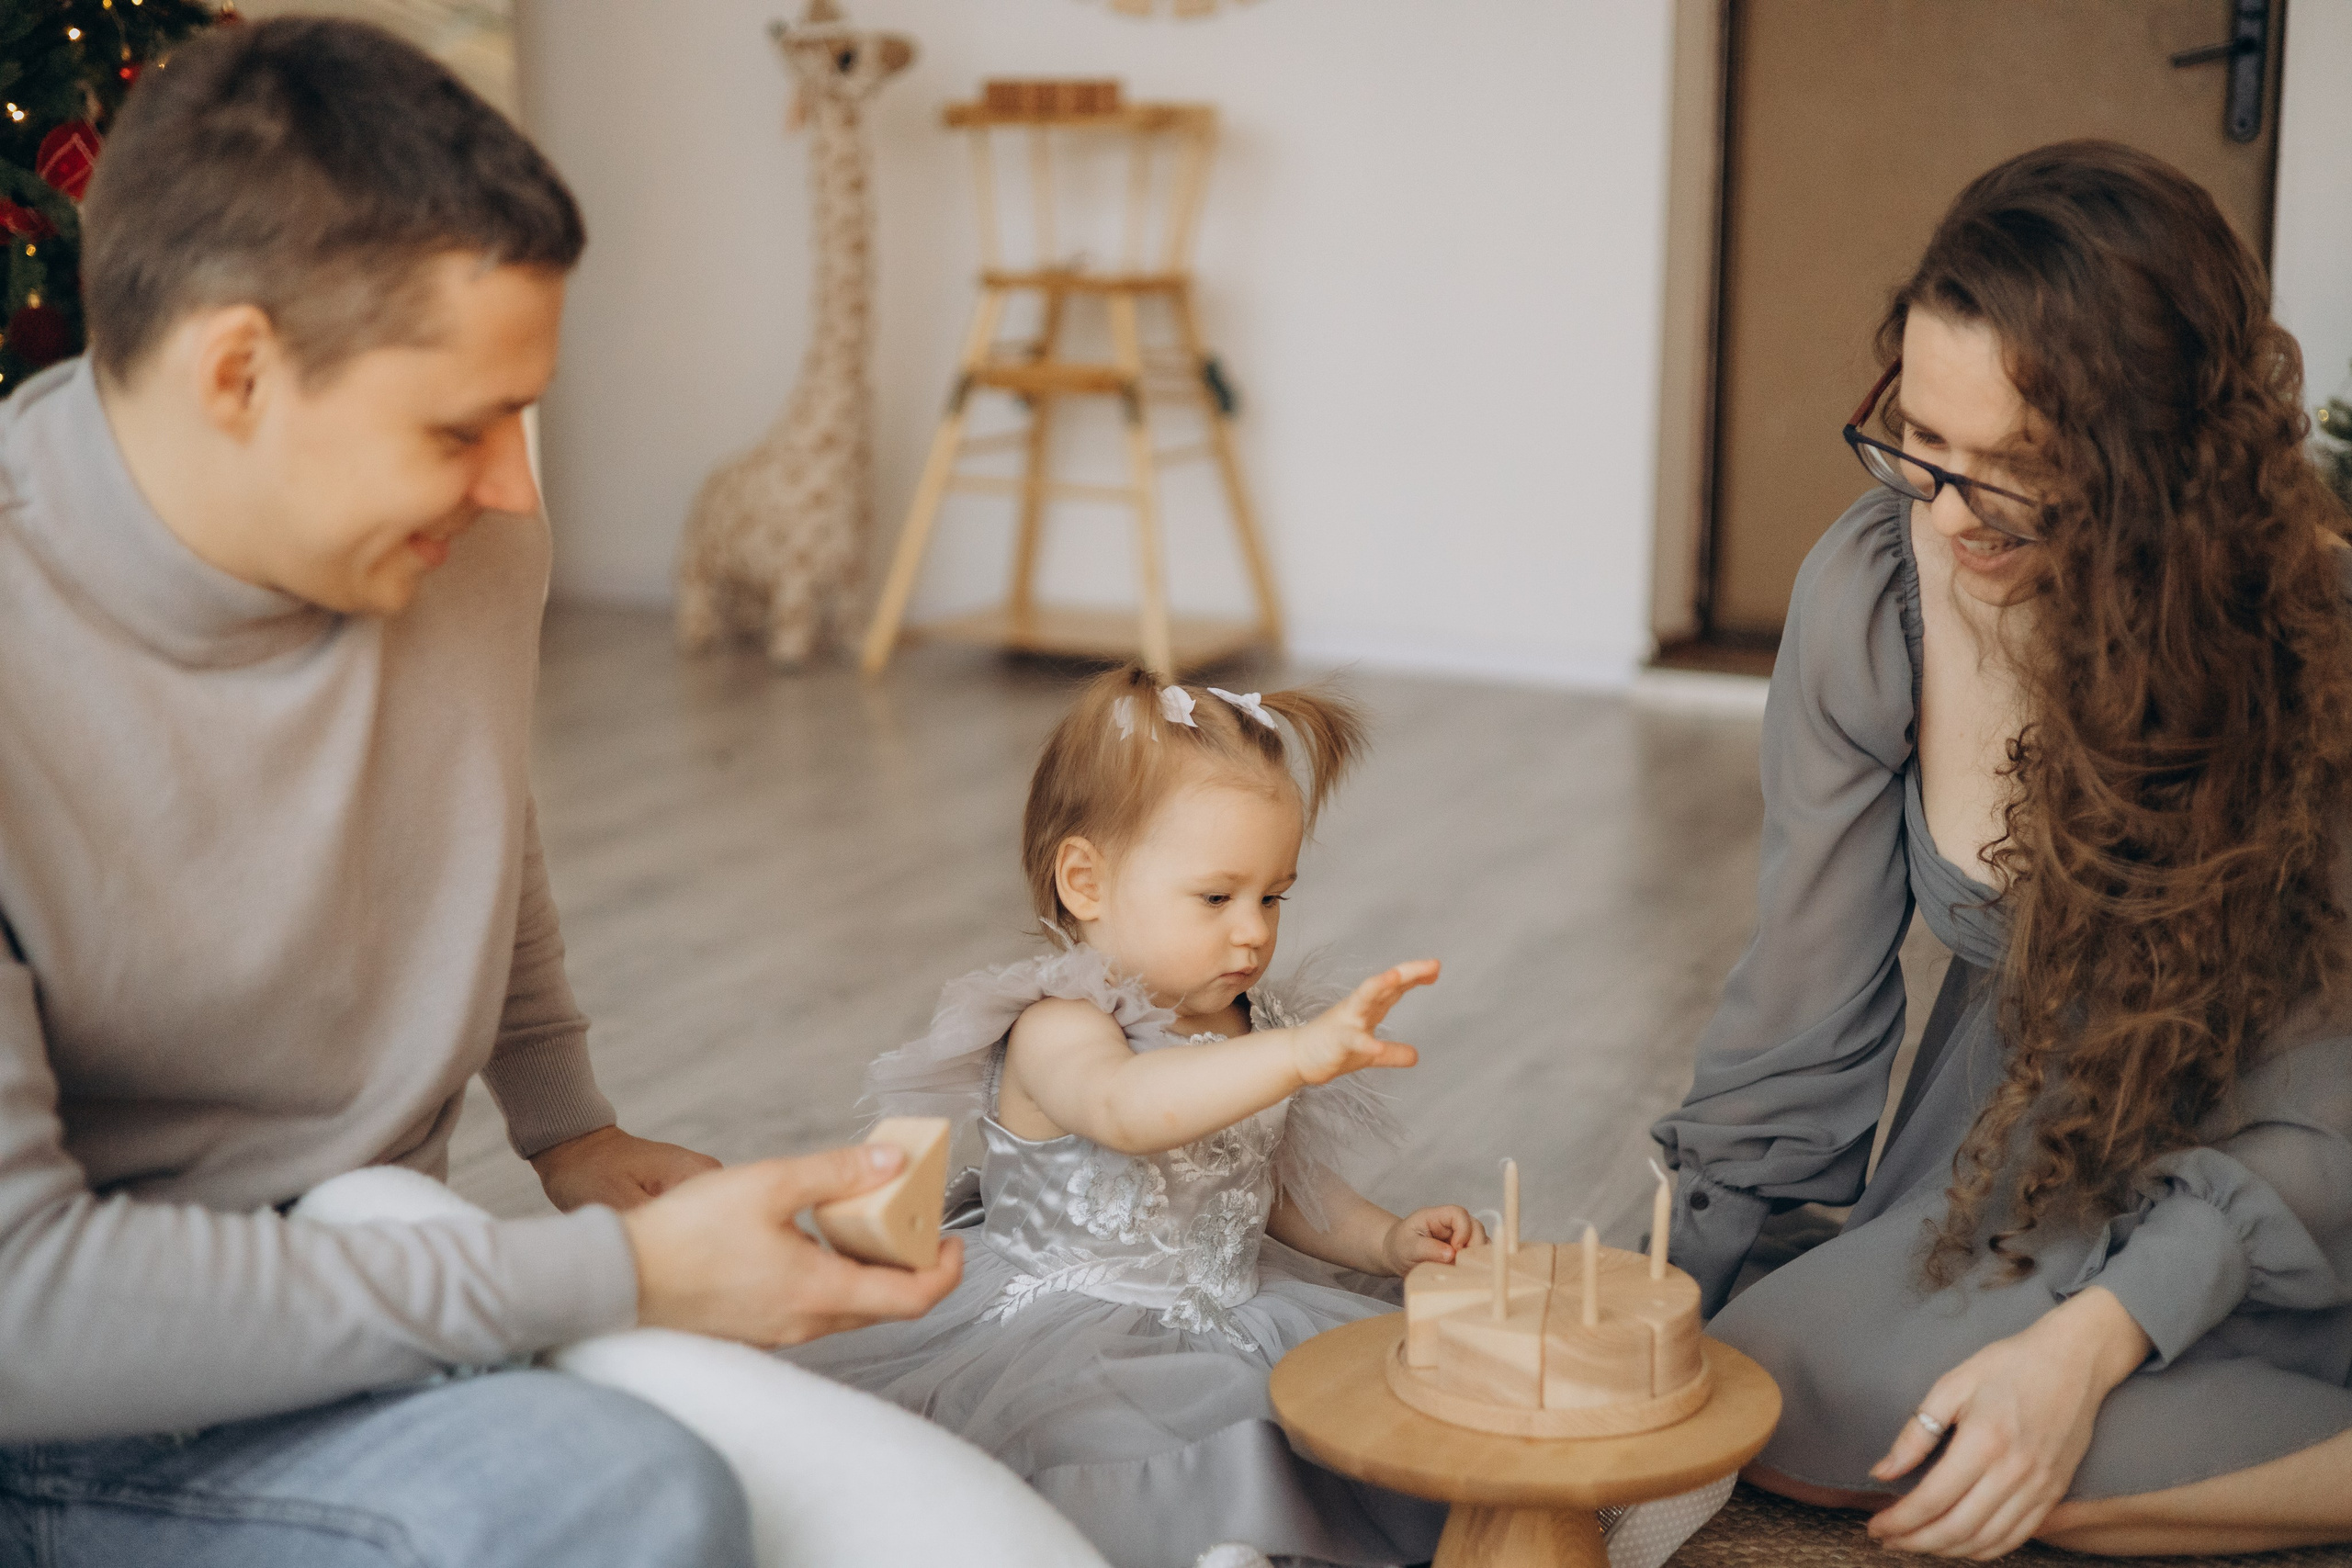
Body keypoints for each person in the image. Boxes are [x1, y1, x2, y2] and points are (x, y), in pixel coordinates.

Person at [0, 20, 959, 1567]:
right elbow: (24, 1310)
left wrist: (568, 1124)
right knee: (632, 1491)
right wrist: (613, 1277)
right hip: (83, 1400)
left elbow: (464, 803)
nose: (518, 486)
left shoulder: (463, 544)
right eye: (461, 426)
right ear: (238, 369)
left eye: (525, 412)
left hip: (382, 1276)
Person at [1653, 140, 2352, 1560]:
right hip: (2026, 1156)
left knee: (1986, 1442)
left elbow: (2313, 1105)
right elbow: (1800, 1000)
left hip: (2287, 1176)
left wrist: (2085, 1348)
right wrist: (1662, 1278)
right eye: (1922, 438)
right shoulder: (1875, 593)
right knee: (1772, 1386)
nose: (1950, 512)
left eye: (2017, 471)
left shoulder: (2311, 650)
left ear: (2159, 460)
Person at [784, 666, 1470, 1568]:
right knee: (1120, 1441)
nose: (1254, 931)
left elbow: (1271, 1185)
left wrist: (1385, 1242)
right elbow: (1130, 1112)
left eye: (1274, 896)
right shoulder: (1058, 1029)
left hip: (1229, 1301)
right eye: (1217, 897)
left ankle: (1249, 1534)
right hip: (1072, 1322)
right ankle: (1201, 1543)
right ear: (1086, 882)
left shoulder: (1248, 1024)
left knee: (1341, 1413)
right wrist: (1293, 1058)